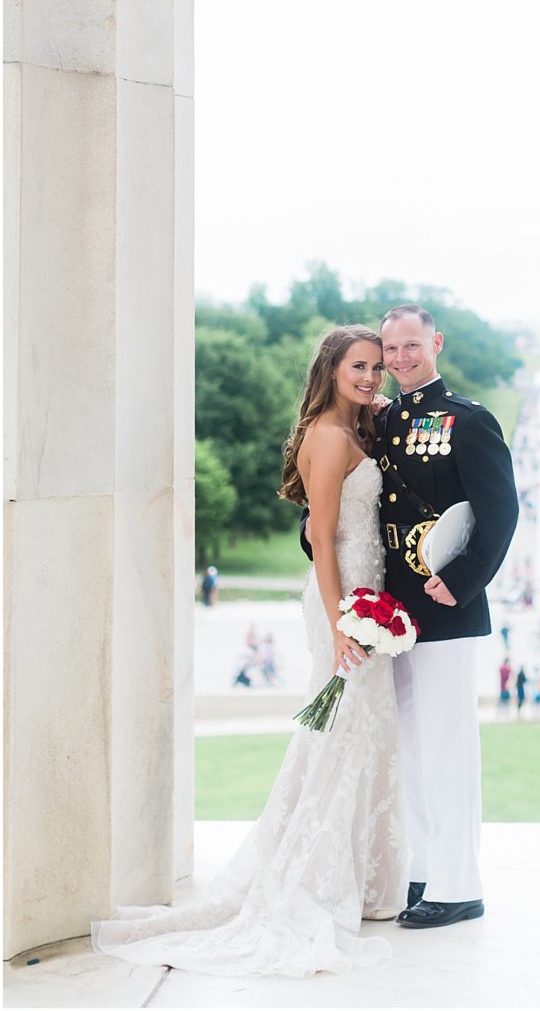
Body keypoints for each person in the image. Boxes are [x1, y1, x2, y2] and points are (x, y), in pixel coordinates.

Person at [95, 325, 406, 976]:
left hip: (367, 593)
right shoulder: (326, 434)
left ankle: (367, 877)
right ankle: (309, 876)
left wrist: (375, 410)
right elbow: (321, 538)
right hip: (342, 598)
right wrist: (341, 621)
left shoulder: (355, 427)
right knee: (338, 732)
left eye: (376, 367)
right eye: (359, 366)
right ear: (330, 368)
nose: (371, 376)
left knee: (359, 732)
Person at [301, 304, 518, 930]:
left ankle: (459, 883)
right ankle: (423, 869)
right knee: (411, 744)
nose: (398, 359)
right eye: (389, 350)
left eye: (410, 347)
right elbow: (352, 503)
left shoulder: (468, 421)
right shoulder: (381, 420)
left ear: (435, 344)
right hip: (388, 609)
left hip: (445, 607)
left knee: (449, 744)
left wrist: (460, 580)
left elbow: (500, 513)